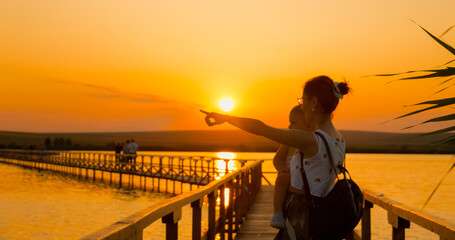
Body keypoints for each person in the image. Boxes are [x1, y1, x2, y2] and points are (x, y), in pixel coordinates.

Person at [200, 75, 350, 239]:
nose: (301, 106)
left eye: (302, 100)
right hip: (321, 215)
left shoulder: (310, 140)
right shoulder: (339, 139)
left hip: (303, 217)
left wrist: (226, 118)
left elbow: (262, 128)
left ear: (313, 102)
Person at [270, 106, 313, 229]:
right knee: (282, 179)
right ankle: (277, 213)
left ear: (308, 125)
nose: (289, 127)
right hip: (289, 175)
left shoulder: (313, 142)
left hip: (307, 180)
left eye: (293, 123)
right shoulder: (288, 142)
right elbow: (277, 158)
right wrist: (282, 169)